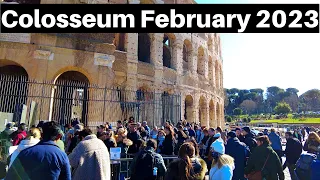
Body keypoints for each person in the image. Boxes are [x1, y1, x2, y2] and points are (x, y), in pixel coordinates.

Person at [6, 121, 71, 180]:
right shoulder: (62, 156)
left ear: (41, 135)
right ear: (58, 136)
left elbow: (11, 176)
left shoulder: (25, 152)